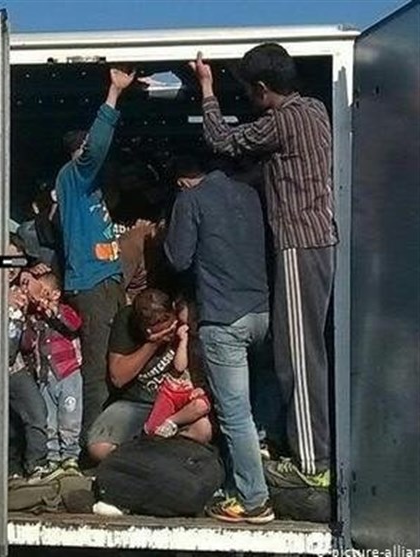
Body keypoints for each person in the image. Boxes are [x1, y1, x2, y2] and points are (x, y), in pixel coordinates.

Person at [190, 44, 336, 490]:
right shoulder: (314, 110)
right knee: (304, 349)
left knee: (298, 356)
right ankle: (308, 450)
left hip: (298, 244)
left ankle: (311, 463)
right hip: (318, 242)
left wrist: (206, 86)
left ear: (261, 88)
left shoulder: (282, 121)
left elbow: (221, 140)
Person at [164, 154, 274, 523]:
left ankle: (254, 500)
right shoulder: (250, 194)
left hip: (223, 317)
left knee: (235, 414)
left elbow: (178, 258)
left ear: (182, 180)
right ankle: (256, 476)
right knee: (259, 405)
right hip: (262, 313)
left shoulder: (190, 200)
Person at [55, 67, 135, 443]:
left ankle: (112, 435)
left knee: (117, 358)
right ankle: (93, 443)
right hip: (93, 283)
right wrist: (114, 94)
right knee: (100, 366)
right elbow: (96, 148)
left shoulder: (87, 188)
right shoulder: (75, 174)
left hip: (106, 280)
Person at [86, 289, 209, 462]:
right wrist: (152, 344)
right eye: (160, 331)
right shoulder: (126, 322)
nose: (168, 334)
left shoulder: (182, 320)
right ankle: (146, 461)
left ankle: (158, 457)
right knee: (99, 448)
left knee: (202, 430)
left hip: (176, 405)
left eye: (169, 326)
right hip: (136, 403)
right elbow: (118, 378)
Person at [22, 272, 83, 477]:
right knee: (49, 419)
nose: (39, 297)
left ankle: (70, 456)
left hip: (68, 373)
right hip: (45, 376)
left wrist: (53, 309)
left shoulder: (64, 311)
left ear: (55, 294)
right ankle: (53, 457)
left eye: (44, 292)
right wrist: (26, 316)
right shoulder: (35, 318)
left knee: (70, 417)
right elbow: (27, 344)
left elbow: (74, 324)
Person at [6, 235, 52, 484]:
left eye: (16, 260)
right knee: (6, 423)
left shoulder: (21, 288)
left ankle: (37, 466)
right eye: (6, 258)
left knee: (36, 412)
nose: (11, 265)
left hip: (15, 367)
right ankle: (10, 470)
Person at [142, 319, 212, 443]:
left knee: (201, 408)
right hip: (172, 391)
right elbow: (179, 367)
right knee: (153, 429)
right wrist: (183, 341)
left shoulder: (209, 340)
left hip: (193, 392)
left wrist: (203, 388)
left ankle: (173, 422)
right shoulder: (179, 337)